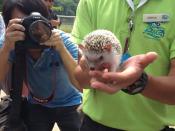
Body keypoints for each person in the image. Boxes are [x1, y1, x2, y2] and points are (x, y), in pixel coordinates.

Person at [71, 0, 175, 131]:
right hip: (93, 124)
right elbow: (81, 79)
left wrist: (139, 82)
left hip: (152, 126)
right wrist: (92, 69)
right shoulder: (91, 2)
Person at [0, 0, 82, 131]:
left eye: (34, 23)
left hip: (70, 102)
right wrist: (6, 48)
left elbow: (81, 85)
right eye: (22, 24)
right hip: (37, 104)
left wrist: (61, 49)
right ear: (8, 25)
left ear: (47, 22)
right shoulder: (10, 41)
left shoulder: (61, 40)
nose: (30, 30)